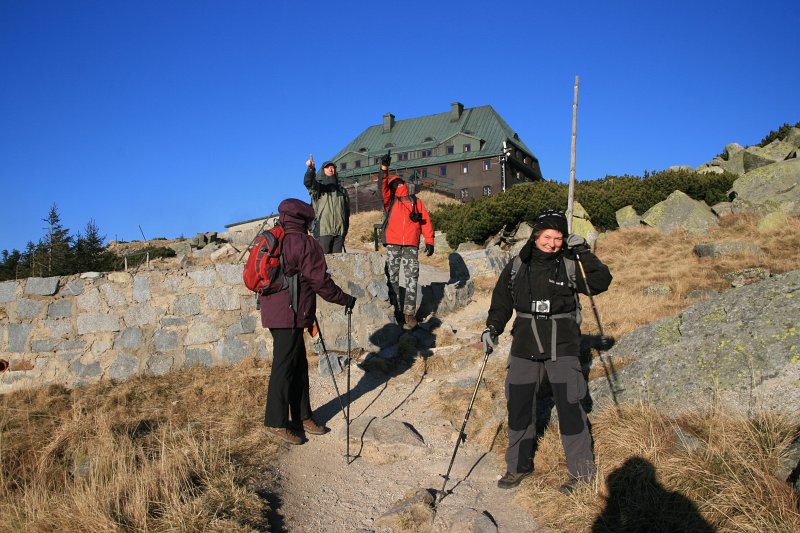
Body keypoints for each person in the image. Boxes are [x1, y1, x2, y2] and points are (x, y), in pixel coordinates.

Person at [482, 209, 612, 492]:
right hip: (524, 344)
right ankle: (518, 467)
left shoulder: (569, 262)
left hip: (562, 345)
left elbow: (600, 282)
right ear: (536, 235)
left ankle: (582, 474)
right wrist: (492, 328)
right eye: (547, 236)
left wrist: (583, 253)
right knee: (518, 406)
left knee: (569, 407)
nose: (552, 243)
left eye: (558, 238)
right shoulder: (518, 265)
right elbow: (502, 301)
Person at [260, 198, 357, 445]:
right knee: (284, 367)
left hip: (277, 314)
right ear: (305, 219)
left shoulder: (276, 238)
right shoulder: (304, 243)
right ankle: (275, 422)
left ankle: (302, 416)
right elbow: (321, 283)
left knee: (298, 365)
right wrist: (345, 299)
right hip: (290, 315)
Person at [379, 152, 435, 329]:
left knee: (412, 278)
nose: (395, 185)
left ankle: (409, 314)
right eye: (392, 183)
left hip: (411, 244)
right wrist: (384, 169)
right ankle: (397, 312)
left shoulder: (415, 201)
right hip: (394, 243)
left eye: (397, 183)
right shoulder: (390, 201)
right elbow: (382, 186)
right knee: (392, 277)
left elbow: (425, 220)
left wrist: (430, 240)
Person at [304, 155, 350, 254]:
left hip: (339, 233)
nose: (330, 169)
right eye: (327, 167)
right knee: (323, 263)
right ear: (323, 170)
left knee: (337, 265)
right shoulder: (319, 188)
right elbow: (308, 182)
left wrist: (344, 232)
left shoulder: (342, 191)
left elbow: (347, 213)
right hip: (323, 232)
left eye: (332, 167)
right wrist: (311, 169)